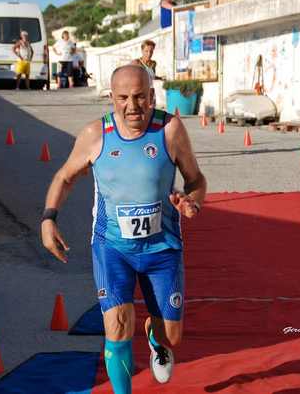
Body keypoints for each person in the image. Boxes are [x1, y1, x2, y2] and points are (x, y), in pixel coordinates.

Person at [40, 65, 207, 393]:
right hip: (112, 248)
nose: (133, 106)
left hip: (162, 250)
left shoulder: (169, 130)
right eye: (124, 98)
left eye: (140, 97)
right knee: (116, 325)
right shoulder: (95, 135)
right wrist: (48, 218)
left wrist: (192, 202)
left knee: (172, 336)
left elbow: (196, 180)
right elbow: (64, 177)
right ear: (111, 98)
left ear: (152, 96)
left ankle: (154, 337)